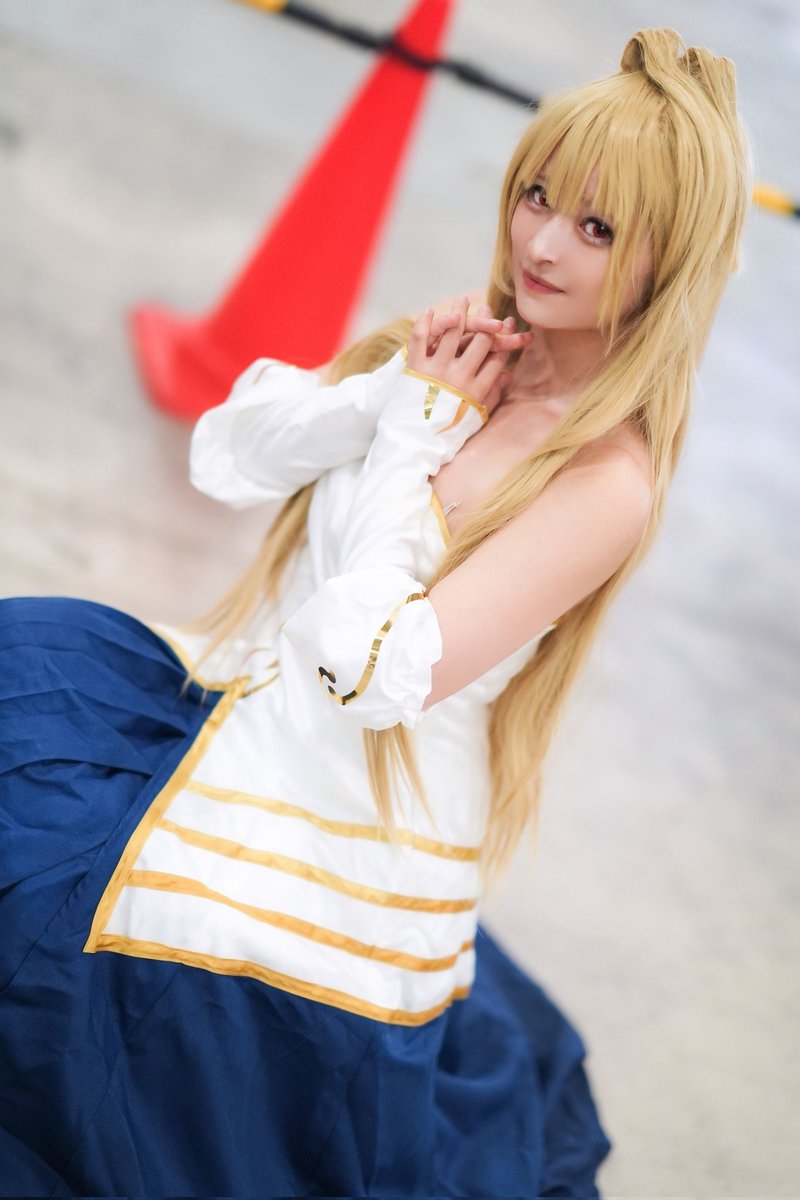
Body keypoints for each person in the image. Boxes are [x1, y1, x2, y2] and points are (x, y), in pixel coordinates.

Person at [0, 27, 750, 1199]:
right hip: (234, 695)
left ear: (672, 260)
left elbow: (369, 673)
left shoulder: (604, 483)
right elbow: (224, 456)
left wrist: (409, 442)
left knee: (67, 959)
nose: (540, 243)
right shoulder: (471, 352)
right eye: (537, 196)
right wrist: (385, 400)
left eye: (597, 228)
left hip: (348, 801)